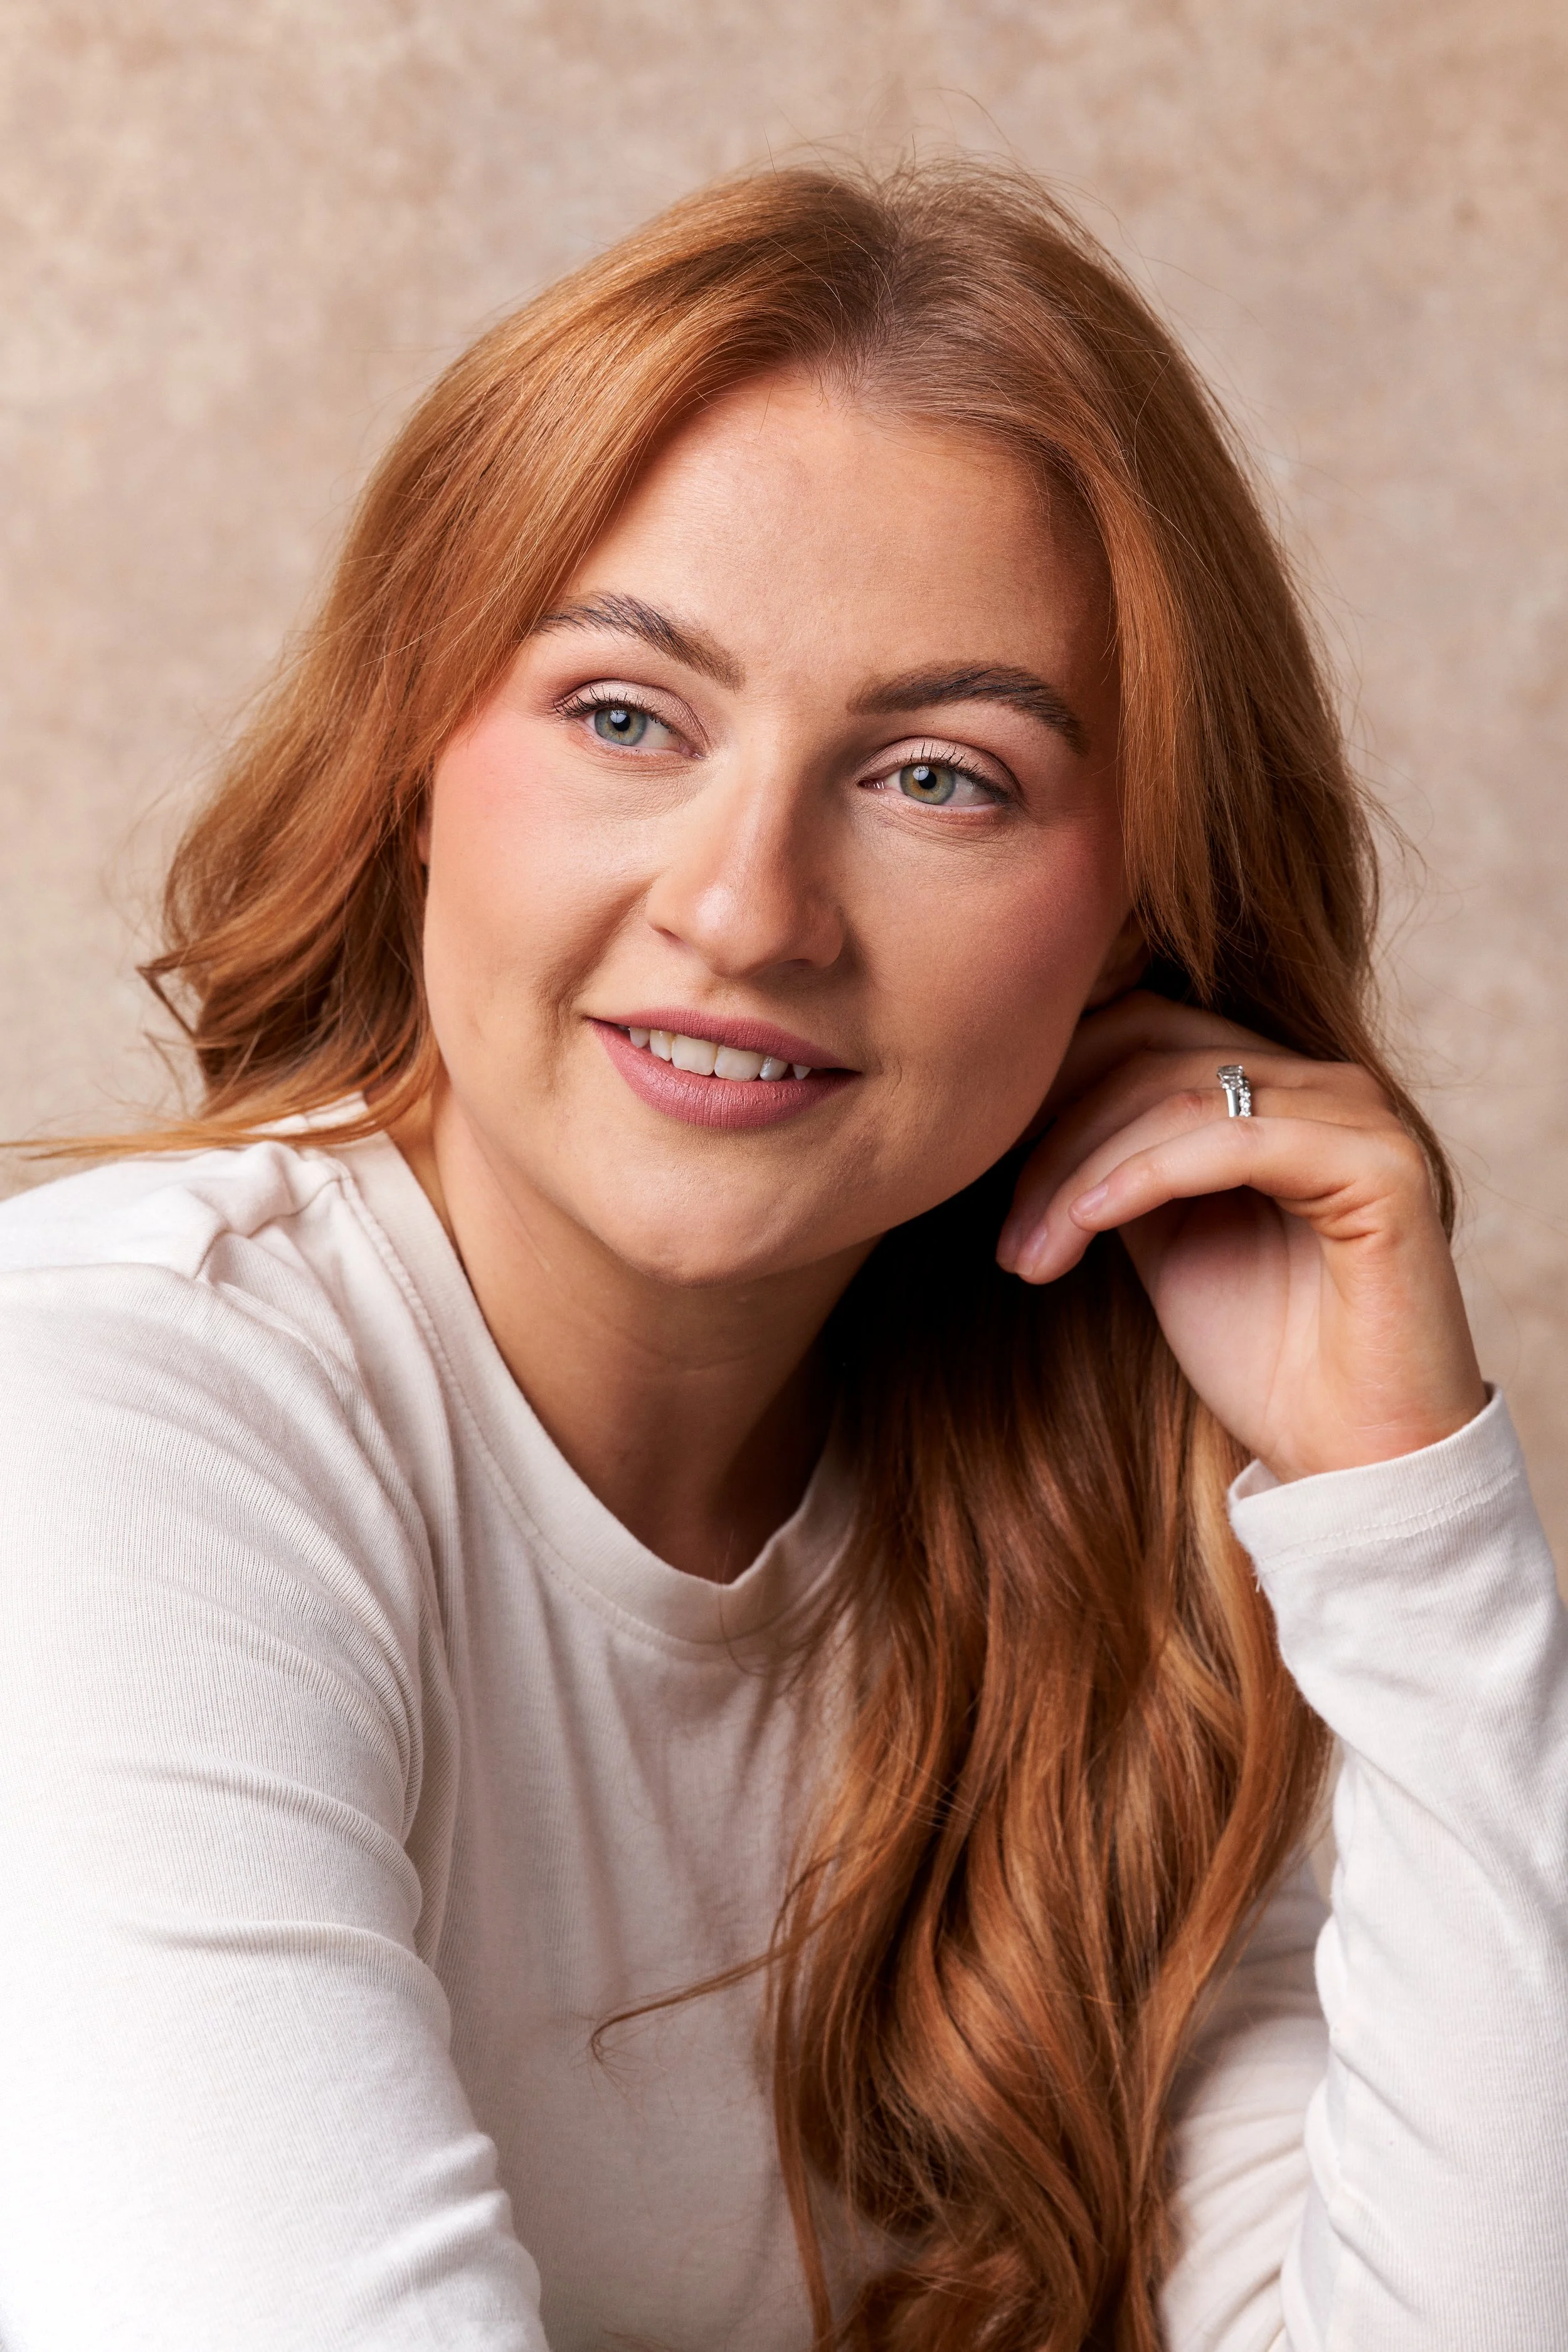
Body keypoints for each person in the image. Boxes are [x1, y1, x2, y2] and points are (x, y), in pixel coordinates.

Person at [0, 157, 1562, 2352]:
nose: (747, 909)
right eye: (625, 714)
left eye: (940, 775)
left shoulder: (1116, 1528)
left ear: (1131, 911)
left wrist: (1406, 1517)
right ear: (417, 765)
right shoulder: (102, 1432)